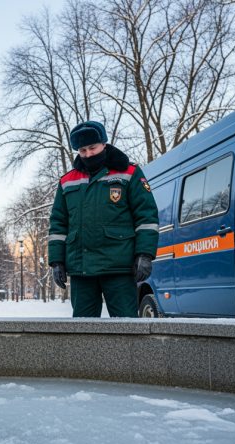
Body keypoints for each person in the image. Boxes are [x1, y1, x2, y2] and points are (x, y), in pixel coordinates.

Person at [47, 121, 159, 317]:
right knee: (83, 332)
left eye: (93, 147)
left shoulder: (130, 173)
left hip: (119, 266)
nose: (88, 154)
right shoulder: (67, 181)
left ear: (104, 144)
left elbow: (146, 215)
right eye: (82, 150)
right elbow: (58, 223)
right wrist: (56, 261)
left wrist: (144, 254)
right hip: (81, 268)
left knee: (127, 328)